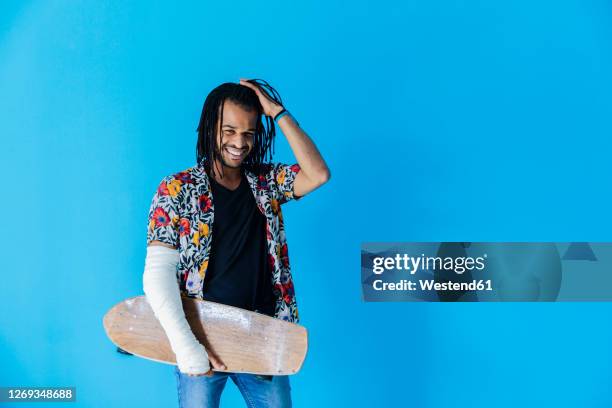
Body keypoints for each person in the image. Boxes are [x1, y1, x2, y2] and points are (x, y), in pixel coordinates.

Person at [142, 78, 330, 408]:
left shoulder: (265, 183)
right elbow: (157, 276)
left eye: (248, 133)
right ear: (208, 128)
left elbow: (318, 174)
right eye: (228, 130)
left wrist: (277, 112)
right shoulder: (177, 189)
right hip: (201, 335)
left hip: (263, 332)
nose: (239, 142)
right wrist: (186, 346)